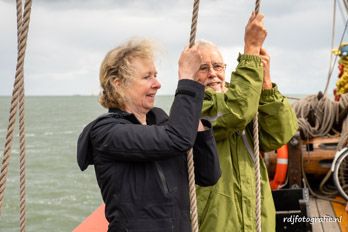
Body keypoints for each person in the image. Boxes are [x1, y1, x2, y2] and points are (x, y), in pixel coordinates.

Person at [76, 39, 221, 232]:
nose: (158, 84)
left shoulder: (160, 121)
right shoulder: (106, 133)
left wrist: (194, 99)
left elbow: (208, 175)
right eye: (147, 77)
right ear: (118, 84)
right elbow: (175, 139)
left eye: (156, 75)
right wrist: (186, 81)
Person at [195, 12, 298, 232]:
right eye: (203, 68)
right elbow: (234, 114)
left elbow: (279, 134)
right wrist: (250, 49)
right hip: (216, 222)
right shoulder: (191, 106)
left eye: (218, 66)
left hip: (257, 216)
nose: (213, 73)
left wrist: (266, 83)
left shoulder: (243, 98)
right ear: (189, 74)